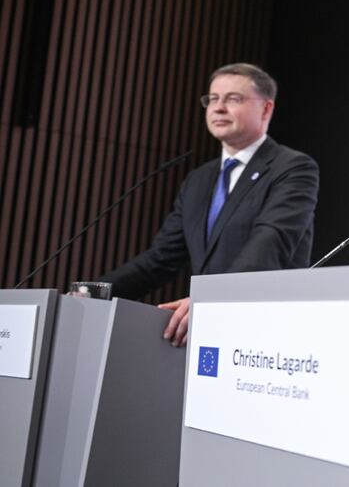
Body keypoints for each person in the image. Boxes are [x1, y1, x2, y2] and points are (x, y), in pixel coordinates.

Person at [102, 63, 319, 347]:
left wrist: (210, 301)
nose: (218, 108)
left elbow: (269, 243)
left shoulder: (292, 168)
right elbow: (161, 259)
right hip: (207, 333)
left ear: (266, 109)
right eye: (213, 99)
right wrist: (96, 292)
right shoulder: (199, 179)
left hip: (264, 332)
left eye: (233, 99)